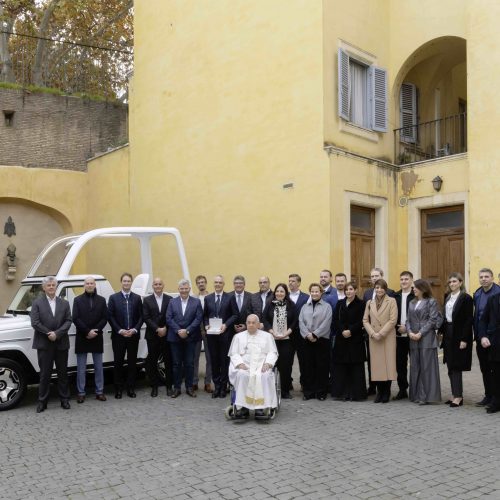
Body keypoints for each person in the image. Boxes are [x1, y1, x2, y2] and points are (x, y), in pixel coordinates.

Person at [31, 276, 72, 413]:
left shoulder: (64, 303)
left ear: (56, 286)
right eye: (48, 285)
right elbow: (35, 322)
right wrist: (49, 333)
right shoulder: (37, 303)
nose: (51, 287)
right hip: (44, 344)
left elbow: (68, 321)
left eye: (53, 285)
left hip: (61, 343)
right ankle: (42, 402)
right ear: (44, 288)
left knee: (63, 374)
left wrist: (57, 334)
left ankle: (64, 399)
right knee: (45, 375)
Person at [228, 314, 278, 418]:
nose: (251, 325)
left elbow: (272, 352)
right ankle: (243, 408)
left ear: (258, 325)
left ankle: (260, 408)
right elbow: (233, 353)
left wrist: (268, 363)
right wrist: (239, 363)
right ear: (246, 324)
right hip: (245, 365)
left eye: (253, 323)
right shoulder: (238, 337)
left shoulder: (267, 336)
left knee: (265, 376)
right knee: (242, 375)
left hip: (261, 365)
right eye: (249, 323)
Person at [406, 279, 443, 405]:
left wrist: (420, 333)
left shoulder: (431, 301)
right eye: (413, 288)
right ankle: (415, 395)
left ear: (423, 288)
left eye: (415, 287)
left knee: (427, 368)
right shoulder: (411, 302)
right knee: (415, 367)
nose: (413, 289)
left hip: (427, 338)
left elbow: (432, 320)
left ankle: (426, 396)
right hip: (413, 338)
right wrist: (410, 332)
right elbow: (408, 320)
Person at [72, 276, 108, 403]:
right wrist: (87, 331)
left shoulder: (102, 300)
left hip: (97, 337)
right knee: (81, 368)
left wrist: (95, 331)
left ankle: (99, 391)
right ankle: (81, 392)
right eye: (87, 283)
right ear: (84, 285)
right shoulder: (77, 300)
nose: (89, 285)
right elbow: (75, 318)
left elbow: (105, 318)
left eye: (92, 283)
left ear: (95, 285)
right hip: (82, 337)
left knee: (99, 367)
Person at [108, 272, 144, 399]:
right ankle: (118, 389)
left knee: (132, 363)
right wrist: (120, 330)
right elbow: (110, 316)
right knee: (118, 363)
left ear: (131, 283)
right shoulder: (113, 298)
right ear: (121, 282)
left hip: (133, 336)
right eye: (124, 281)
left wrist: (135, 329)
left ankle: (131, 388)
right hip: (119, 337)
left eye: (128, 281)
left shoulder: (137, 298)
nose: (126, 283)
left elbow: (141, 316)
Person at [166, 279, 203, 398]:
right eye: (182, 288)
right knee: (176, 364)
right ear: (178, 289)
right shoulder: (172, 302)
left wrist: (187, 331)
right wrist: (178, 331)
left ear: (189, 289)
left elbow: (198, 318)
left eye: (186, 288)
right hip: (175, 337)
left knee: (189, 363)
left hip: (190, 337)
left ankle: (189, 387)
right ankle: (177, 388)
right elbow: (169, 318)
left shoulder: (196, 302)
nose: (184, 291)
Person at [440, 272, 473, 407]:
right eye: (450, 282)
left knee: (456, 365)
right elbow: (445, 316)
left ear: (460, 282)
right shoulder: (447, 296)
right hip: (448, 332)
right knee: (449, 364)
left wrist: (464, 339)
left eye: (454, 281)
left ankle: (458, 397)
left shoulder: (466, 298)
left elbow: (468, 320)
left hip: (459, 334)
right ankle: (455, 394)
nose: (452, 284)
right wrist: (441, 331)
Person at [362, 279, 397, 403]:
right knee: (377, 366)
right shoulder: (369, 303)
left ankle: (386, 392)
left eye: (381, 287)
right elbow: (365, 320)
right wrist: (372, 333)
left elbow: (393, 320)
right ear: (374, 289)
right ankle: (379, 392)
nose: (379, 290)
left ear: (385, 289)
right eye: (377, 287)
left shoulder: (391, 301)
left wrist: (381, 333)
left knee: (388, 365)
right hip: (374, 337)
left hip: (387, 337)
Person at [332, 281, 367, 401]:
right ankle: (342, 393)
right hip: (341, 339)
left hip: (355, 339)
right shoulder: (340, 303)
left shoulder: (361, 304)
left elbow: (362, 321)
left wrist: (351, 330)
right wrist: (342, 330)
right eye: (346, 289)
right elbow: (336, 319)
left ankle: (356, 394)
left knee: (355, 368)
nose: (348, 291)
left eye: (351, 289)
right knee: (342, 368)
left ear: (356, 290)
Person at [263, 283, 297, 399]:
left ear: (286, 293)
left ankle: (285, 391)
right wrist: (271, 331)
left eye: (282, 291)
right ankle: (271, 390)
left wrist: (287, 333)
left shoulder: (291, 305)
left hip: (287, 340)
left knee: (286, 366)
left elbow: (295, 321)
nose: (279, 293)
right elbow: (264, 319)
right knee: (272, 364)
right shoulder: (269, 304)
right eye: (277, 291)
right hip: (272, 340)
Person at [299, 283, 333, 401]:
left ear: (321, 292)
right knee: (308, 367)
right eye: (312, 291)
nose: (314, 293)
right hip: (307, 340)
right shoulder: (304, 307)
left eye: (316, 291)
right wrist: (307, 334)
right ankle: (309, 392)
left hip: (321, 340)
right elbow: (301, 322)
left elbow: (327, 323)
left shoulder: (327, 307)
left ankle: (321, 392)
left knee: (322, 367)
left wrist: (315, 334)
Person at [204, 275, 235, 398]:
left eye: (220, 282)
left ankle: (223, 386)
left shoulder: (230, 297)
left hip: (225, 335)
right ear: (213, 284)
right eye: (216, 282)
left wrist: (226, 325)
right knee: (214, 361)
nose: (217, 284)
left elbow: (235, 315)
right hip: (212, 336)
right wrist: (206, 324)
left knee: (224, 361)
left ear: (223, 284)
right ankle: (216, 386)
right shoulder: (208, 298)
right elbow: (205, 315)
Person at [473, 268, 500, 407]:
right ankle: (488, 395)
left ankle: (496, 397)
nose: (483, 279)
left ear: (493, 278)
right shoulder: (477, 293)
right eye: (481, 277)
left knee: (495, 369)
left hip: (495, 337)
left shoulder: (497, 293)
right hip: (481, 336)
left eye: (486, 276)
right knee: (484, 368)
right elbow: (479, 317)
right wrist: (480, 335)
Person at [143, 277, 172, 397]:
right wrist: (157, 329)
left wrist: (165, 328)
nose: (158, 286)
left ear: (163, 285)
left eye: (160, 284)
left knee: (168, 361)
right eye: (156, 284)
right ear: (153, 286)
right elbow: (146, 317)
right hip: (152, 335)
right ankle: (154, 387)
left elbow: (171, 315)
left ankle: (169, 386)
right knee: (152, 362)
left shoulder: (169, 299)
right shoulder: (147, 300)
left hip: (167, 335)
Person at [392, 271, 415, 400]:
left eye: (406, 279)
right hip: (398, 335)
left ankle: (415, 389)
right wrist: (398, 328)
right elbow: (390, 315)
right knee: (400, 364)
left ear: (411, 280)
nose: (404, 281)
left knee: (415, 363)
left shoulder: (416, 295)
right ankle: (402, 389)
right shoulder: (395, 296)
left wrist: (407, 327)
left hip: (412, 334)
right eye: (402, 279)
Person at [478, 291, 500, 413]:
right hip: (495, 342)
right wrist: (483, 336)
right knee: (495, 373)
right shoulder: (492, 299)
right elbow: (483, 320)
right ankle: (496, 402)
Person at [288, 273, 309, 390]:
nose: (290, 283)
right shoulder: (284, 296)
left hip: (301, 333)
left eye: (293, 281)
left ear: (299, 283)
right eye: (289, 281)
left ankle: (304, 383)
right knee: (287, 359)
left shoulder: (306, 297)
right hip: (288, 333)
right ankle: (288, 383)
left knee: (303, 360)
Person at [193, 274, 213, 393]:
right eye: (199, 282)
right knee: (194, 357)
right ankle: (194, 382)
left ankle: (207, 382)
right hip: (195, 331)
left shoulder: (211, 297)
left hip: (208, 331)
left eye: (202, 282)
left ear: (206, 283)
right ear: (196, 284)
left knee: (209, 358)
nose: (201, 284)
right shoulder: (193, 298)